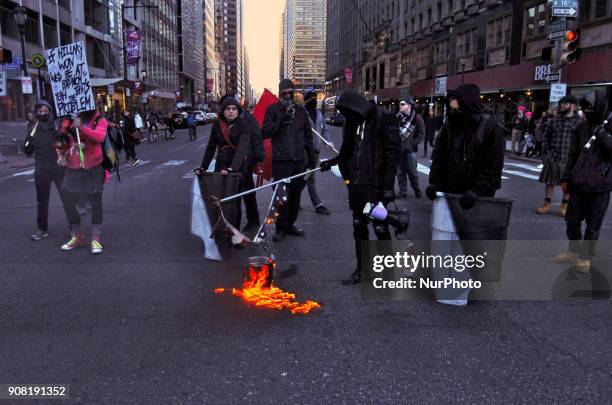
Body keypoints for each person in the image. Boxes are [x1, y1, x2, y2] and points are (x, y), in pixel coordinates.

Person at [320, 89, 401, 286]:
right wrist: (332, 162)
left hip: (375, 187)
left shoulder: (383, 119)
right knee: (359, 227)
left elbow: (392, 155)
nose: (346, 116)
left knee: (380, 228)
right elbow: (348, 151)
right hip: (356, 186)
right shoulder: (352, 122)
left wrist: (388, 187)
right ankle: (362, 270)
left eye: (348, 111)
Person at [555, 91, 612, 272]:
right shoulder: (580, 128)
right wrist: (566, 177)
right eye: (584, 108)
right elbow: (572, 154)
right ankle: (573, 250)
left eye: (590, 108)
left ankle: (585, 256)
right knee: (572, 220)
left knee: (593, 224)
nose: (586, 112)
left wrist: (603, 135)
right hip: (579, 181)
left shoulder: (609, 126)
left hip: (601, 184)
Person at [427, 84, 505, 206]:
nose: (452, 107)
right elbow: (439, 156)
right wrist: (435, 183)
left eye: (455, 103)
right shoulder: (450, 125)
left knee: (475, 224)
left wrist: (477, 191)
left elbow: (493, 164)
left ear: (466, 103)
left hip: (477, 195)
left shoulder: (489, 127)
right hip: (451, 188)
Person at [262, 79, 317, 242]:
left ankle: (290, 225)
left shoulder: (300, 111)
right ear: (279, 95)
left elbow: (308, 136)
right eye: (284, 93)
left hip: (299, 161)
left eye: (290, 93)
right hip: (281, 162)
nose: (287, 96)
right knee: (281, 198)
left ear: (294, 93)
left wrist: (311, 160)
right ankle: (280, 227)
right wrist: (281, 120)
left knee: (295, 197)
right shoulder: (272, 110)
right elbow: (265, 132)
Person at [196, 97, 250, 246]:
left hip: (237, 167)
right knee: (221, 201)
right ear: (223, 111)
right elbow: (211, 147)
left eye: (234, 109)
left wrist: (233, 168)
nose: (231, 112)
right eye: (228, 109)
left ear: (238, 110)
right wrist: (203, 167)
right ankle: (222, 231)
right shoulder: (217, 125)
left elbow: (242, 148)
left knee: (235, 202)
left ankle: (236, 236)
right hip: (221, 164)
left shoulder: (244, 124)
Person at [56, 109, 108, 254]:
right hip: (74, 167)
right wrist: (65, 127)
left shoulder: (100, 120)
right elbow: (64, 140)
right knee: (67, 199)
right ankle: (77, 235)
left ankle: (96, 238)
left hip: (93, 168)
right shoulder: (72, 118)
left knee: (95, 202)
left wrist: (81, 128)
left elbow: (100, 137)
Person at [23, 100, 70, 241]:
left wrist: (61, 139)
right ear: (36, 113)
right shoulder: (33, 128)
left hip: (59, 168)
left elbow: (65, 144)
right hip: (42, 170)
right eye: (40, 111)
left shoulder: (57, 126)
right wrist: (28, 142)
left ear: (49, 111)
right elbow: (27, 151)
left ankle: (74, 226)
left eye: (45, 111)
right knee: (42, 202)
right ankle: (42, 229)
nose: (42, 113)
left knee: (66, 198)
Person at [536, 95, 581, 216]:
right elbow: (546, 136)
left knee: (567, 184)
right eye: (561, 104)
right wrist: (546, 152)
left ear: (573, 105)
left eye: (565, 104)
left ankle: (564, 206)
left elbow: (582, 140)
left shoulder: (579, 121)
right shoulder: (555, 120)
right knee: (549, 183)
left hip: (569, 158)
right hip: (554, 156)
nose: (562, 106)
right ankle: (546, 205)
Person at [304, 91, 331, 215]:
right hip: (305, 152)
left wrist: (329, 142)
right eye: (311, 98)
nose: (314, 100)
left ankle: (292, 198)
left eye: (315, 98)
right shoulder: (302, 114)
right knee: (310, 178)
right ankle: (318, 204)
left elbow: (324, 129)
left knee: (304, 178)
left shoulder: (319, 114)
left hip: (316, 151)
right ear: (306, 100)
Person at [396, 97, 425, 198]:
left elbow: (421, 133)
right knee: (400, 172)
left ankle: (416, 189)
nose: (400, 106)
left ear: (409, 105)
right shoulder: (398, 117)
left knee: (412, 172)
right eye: (400, 104)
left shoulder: (417, 118)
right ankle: (402, 192)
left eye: (403, 104)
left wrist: (412, 143)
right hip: (399, 149)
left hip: (410, 150)